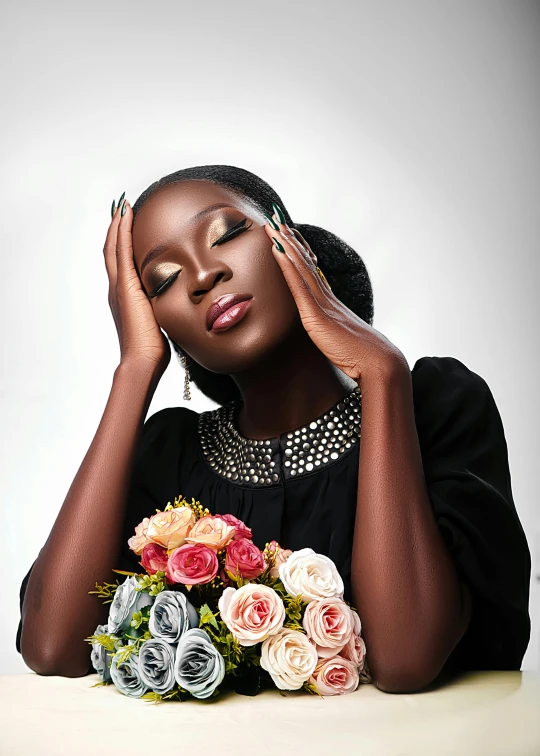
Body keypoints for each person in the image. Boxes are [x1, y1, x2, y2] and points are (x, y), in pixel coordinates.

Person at [16, 165, 531, 693]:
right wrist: (135, 367)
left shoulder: (436, 405)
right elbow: (51, 647)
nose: (201, 277)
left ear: (293, 243)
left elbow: (405, 660)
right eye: (164, 282)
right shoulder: (170, 454)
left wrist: (382, 373)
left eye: (228, 234)